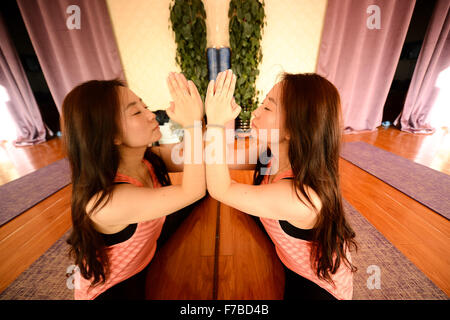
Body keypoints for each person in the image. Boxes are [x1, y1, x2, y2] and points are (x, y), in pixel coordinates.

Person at [204, 69, 357, 300]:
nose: (255, 111)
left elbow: (220, 189)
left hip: (317, 289)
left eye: (267, 107)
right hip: (290, 263)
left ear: (292, 130)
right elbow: (223, 160)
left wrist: (214, 123)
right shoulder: (273, 153)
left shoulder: (298, 196)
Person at [61, 73, 205, 300]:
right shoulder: (107, 201)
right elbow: (193, 189)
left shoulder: (147, 158)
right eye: (137, 112)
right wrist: (193, 124)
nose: (151, 114)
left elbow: (204, 156)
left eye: (145, 106)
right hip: (117, 288)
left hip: (147, 253)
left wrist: (213, 120)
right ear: (111, 134)